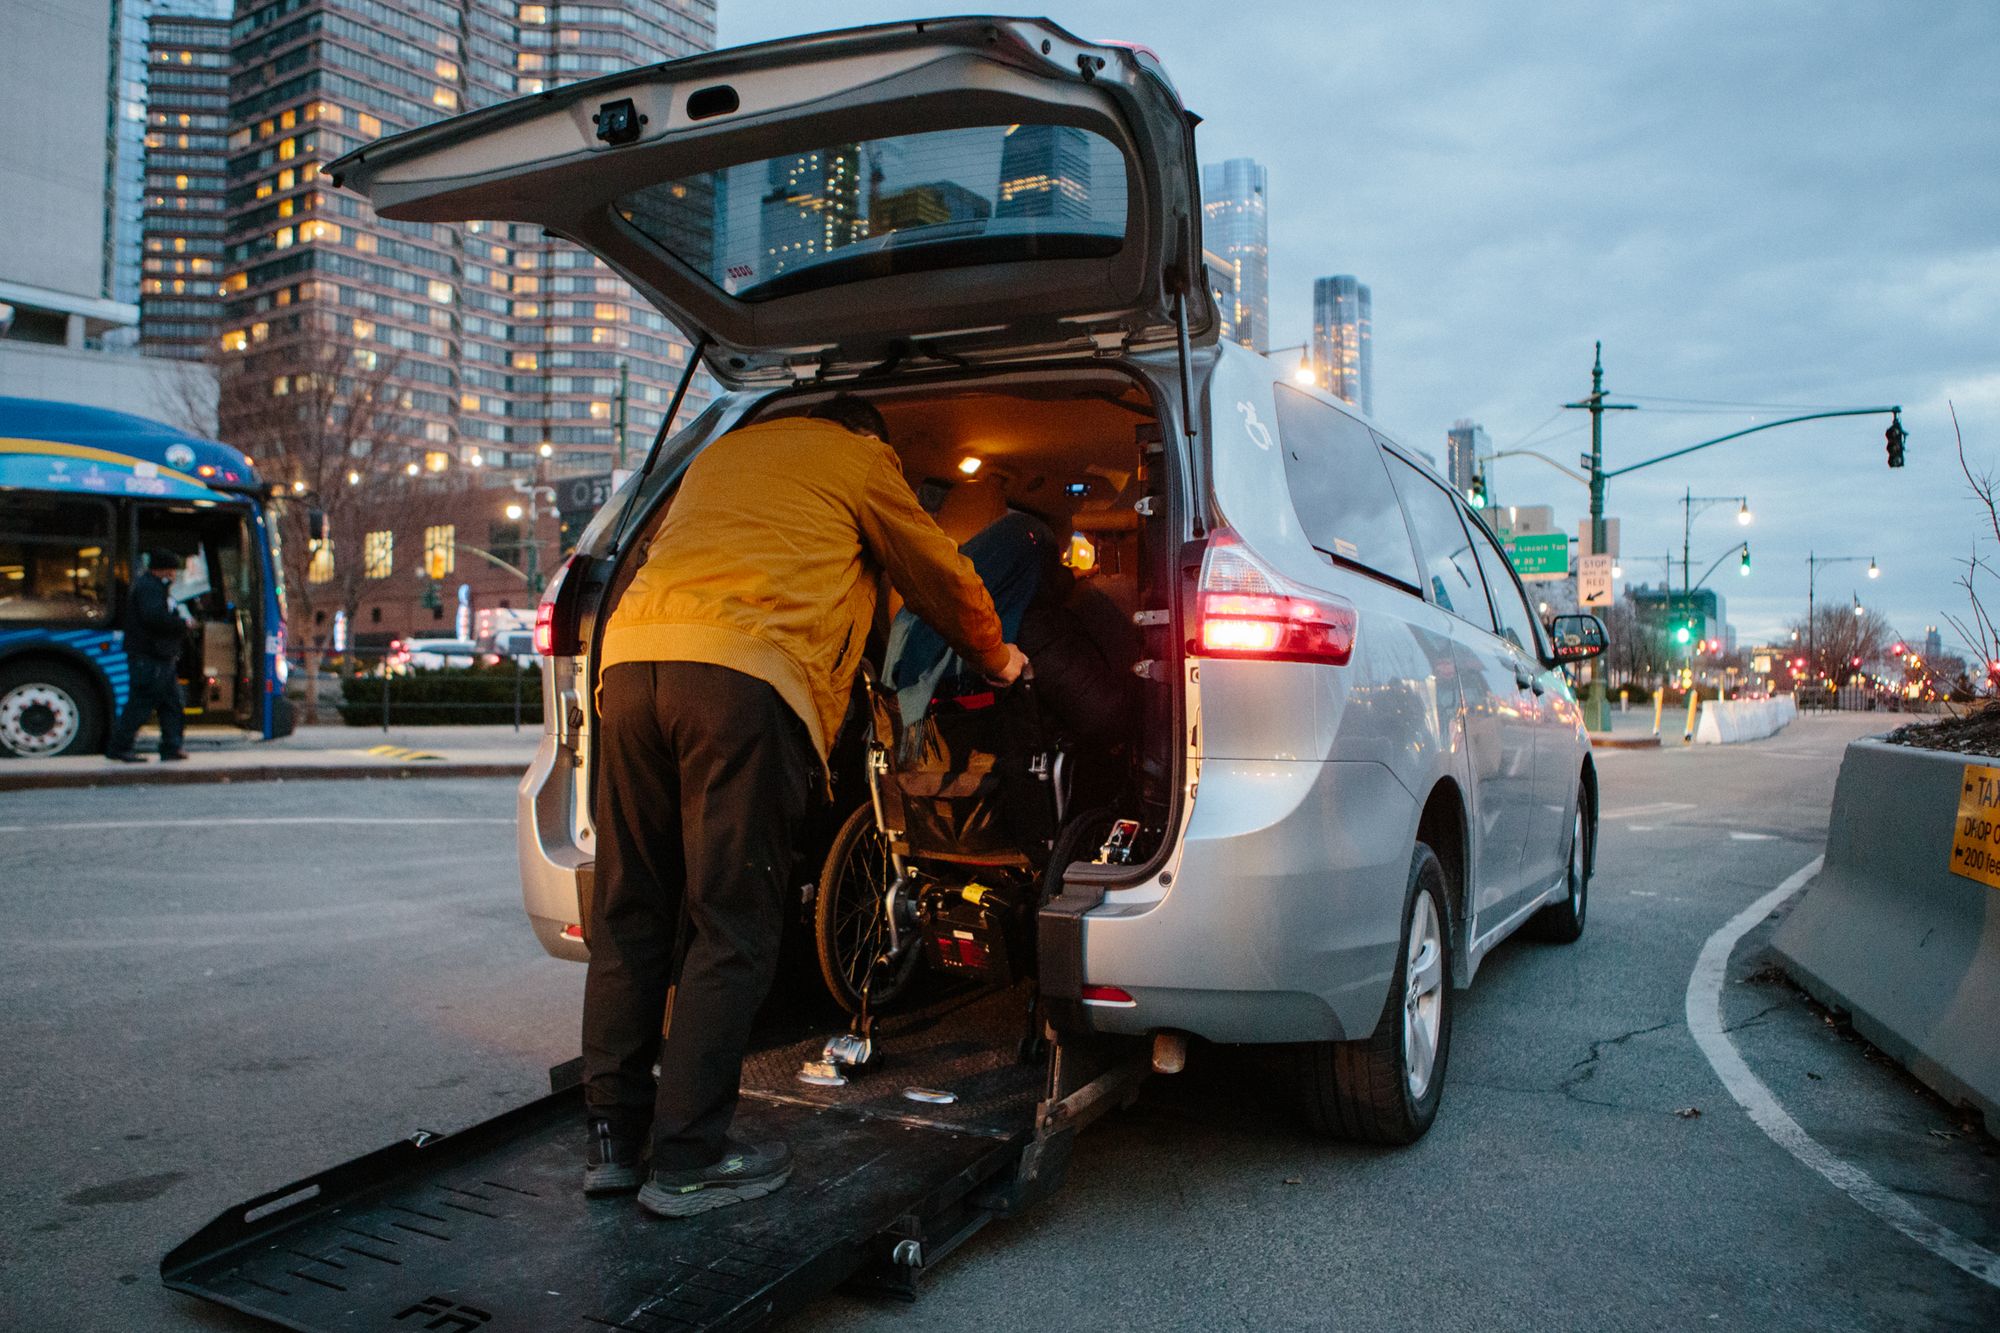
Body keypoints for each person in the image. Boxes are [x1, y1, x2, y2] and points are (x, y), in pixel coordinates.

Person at [581, 394, 1026, 1219]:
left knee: (630, 907)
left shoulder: (720, 456)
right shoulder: (859, 460)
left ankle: (613, 1137)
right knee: (731, 920)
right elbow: (941, 574)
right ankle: (687, 1158)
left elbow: (644, 555)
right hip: (742, 678)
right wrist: (998, 658)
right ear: (872, 435)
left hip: (629, 666)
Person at [106, 549, 191, 763]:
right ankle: (120, 747)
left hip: (159, 657)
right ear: (160, 570)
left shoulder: (151, 586)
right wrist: (182, 624)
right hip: (151, 657)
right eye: (171, 570)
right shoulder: (150, 589)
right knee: (141, 703)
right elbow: (154, 617)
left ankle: (172, 746)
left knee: (171, 703)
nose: (173, 575)